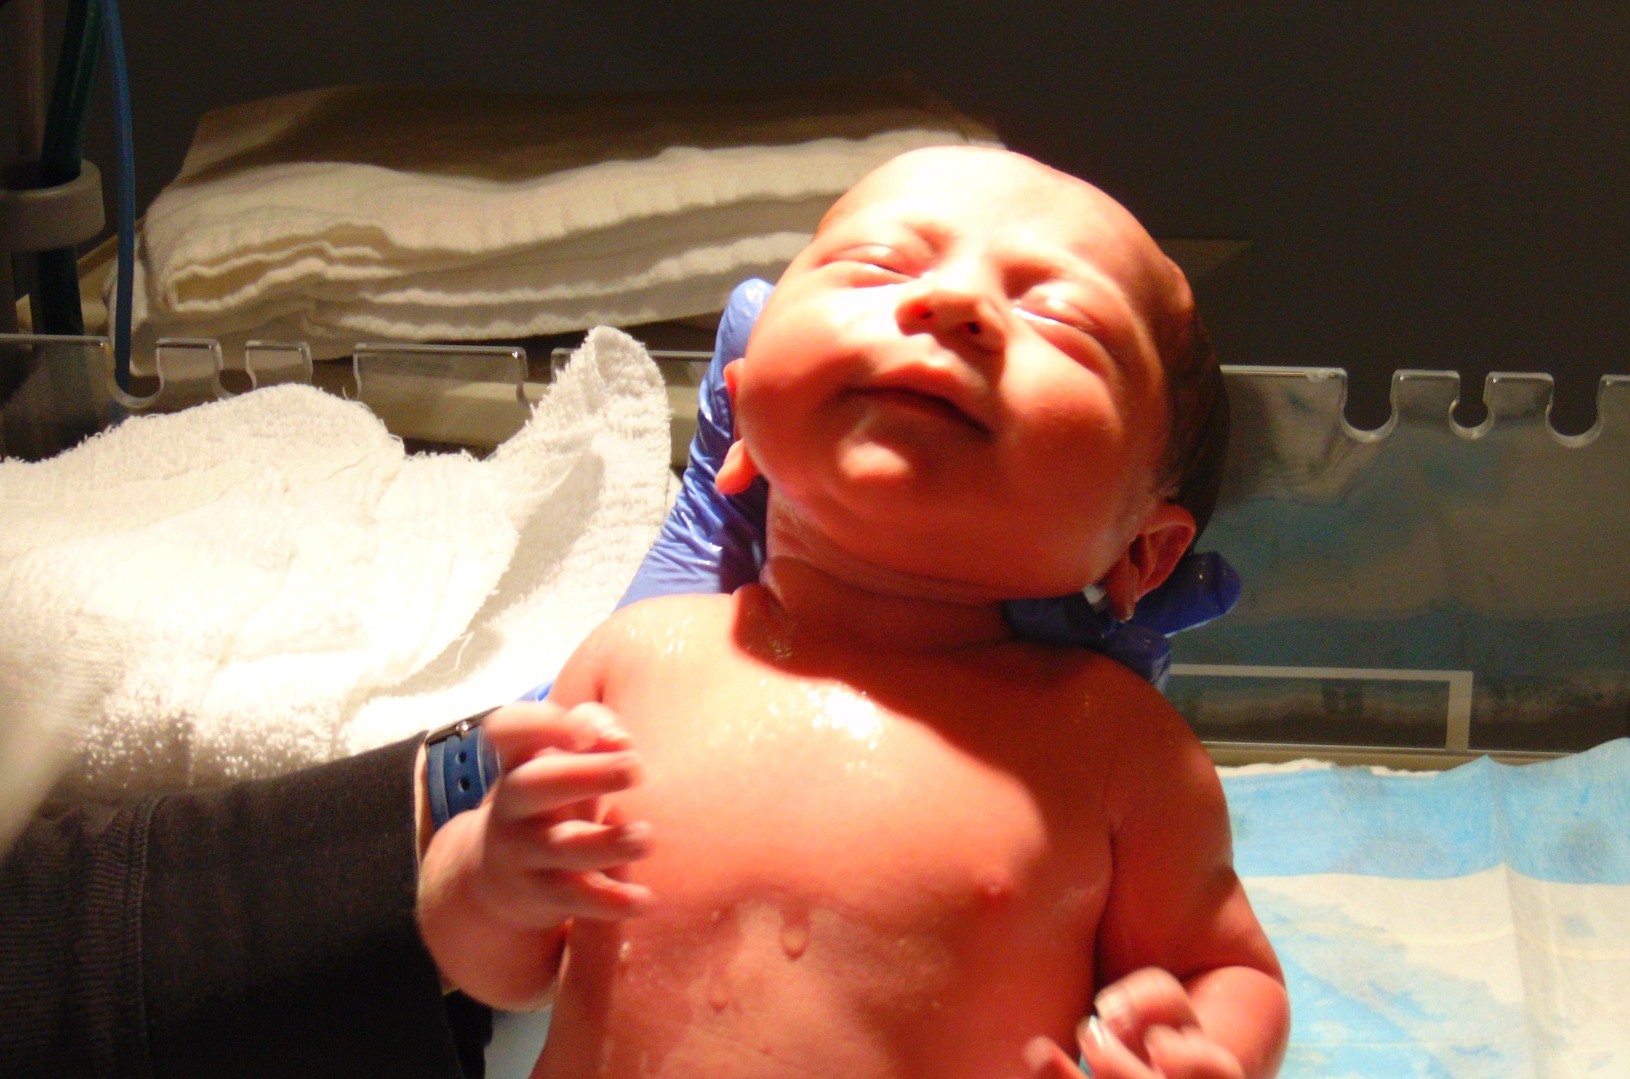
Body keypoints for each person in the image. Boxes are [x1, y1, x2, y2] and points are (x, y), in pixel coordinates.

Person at [417, 147, 1290, 1079]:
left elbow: (1228, 969)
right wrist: (489, 880)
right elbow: (504, 971)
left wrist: (1201, 1050)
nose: (953, 306)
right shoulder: (636, 662)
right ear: (741, 410)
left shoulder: (1117, 749)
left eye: (1061, 318)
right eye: (881, 267)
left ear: (1144, 551)